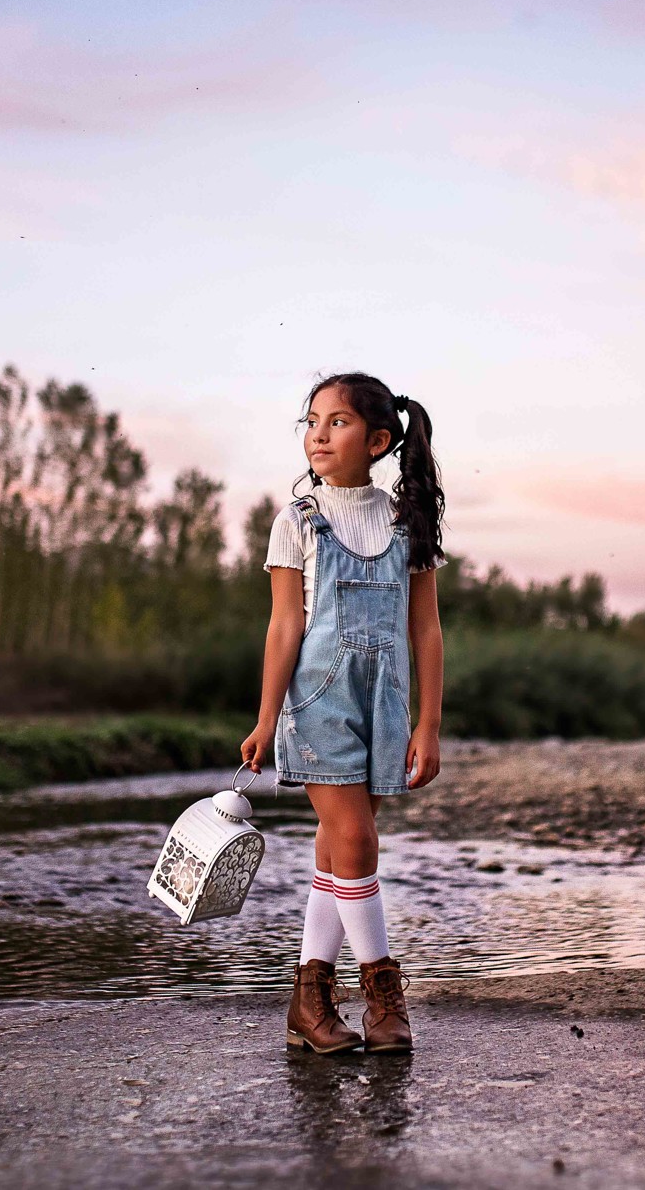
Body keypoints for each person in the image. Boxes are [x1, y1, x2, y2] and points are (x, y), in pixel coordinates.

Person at [240, 372, 445, 1055]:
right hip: (317, 700)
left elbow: (427, 631)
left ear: (379, 439)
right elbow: (281, 629)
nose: (318, 435)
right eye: (312, 421)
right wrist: (267, 719)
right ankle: (382, 993)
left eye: (337, 422)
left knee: (338, 850)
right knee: (355, 841)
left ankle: (309, 998)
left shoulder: (404, 520)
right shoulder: (296, 519)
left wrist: (429, 722)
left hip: (385, 702)